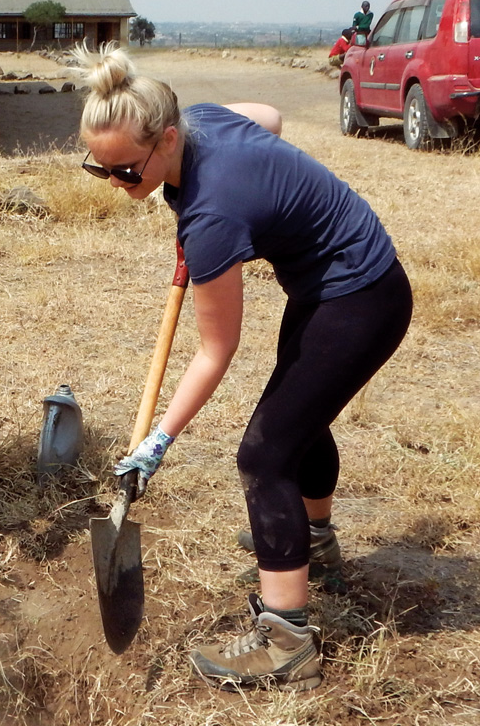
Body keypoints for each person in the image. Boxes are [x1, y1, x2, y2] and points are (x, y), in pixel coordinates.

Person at [75, 44, 412, 691]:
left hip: (362, 298)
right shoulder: (202, 119)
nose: (117, 185)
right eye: (101, 169)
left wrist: (158, 440)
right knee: (299, 420)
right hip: (329, 287)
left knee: (265, 455)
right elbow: (270, 116)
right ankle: (313, 544)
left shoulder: (212, 215)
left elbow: (216, 350)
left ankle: (287, 641)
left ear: (168, 139)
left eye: (126, 170)